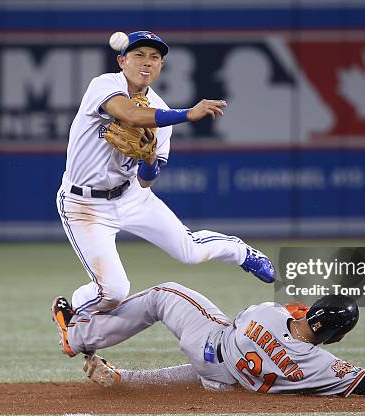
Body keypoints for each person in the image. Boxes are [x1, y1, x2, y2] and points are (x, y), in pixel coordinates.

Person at [53, 30, 275, 353]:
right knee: (114, 291)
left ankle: (241, 252)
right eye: (139, 55)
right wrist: (189, 113)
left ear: (161, 66)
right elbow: (128, 113)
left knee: (190, 250)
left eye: (155, 57)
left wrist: (147, 162)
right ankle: (74, 306)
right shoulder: (104, 85)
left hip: (131, 197)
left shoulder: (161, 113)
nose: (147, 62)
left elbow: (146, 181)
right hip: (82, 205)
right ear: (122, 60)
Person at [50, 282, 365, 397]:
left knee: (165, 294)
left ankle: (79, 336)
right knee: (217, 379)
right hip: (227, 379)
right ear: (337, 336)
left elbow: (285, 315)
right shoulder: (318, 368)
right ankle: (125, 380)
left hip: (211, 344)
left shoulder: (271, 313)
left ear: (310, 312)